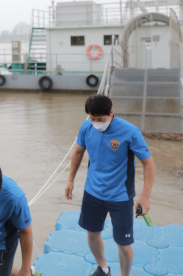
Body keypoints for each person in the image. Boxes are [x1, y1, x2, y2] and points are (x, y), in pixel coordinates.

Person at [65, 94, 156, 276]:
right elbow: (78, 152)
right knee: (92, 234)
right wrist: (70, 179)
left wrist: (145, 196)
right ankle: (104, 269)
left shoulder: (130, 131)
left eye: (101, 119)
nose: (96, 123)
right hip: (92, 192)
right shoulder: (86, 127)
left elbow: (149, 163)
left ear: (111, 113)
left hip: (120, 196)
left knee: (123, 243)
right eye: (92, 118)